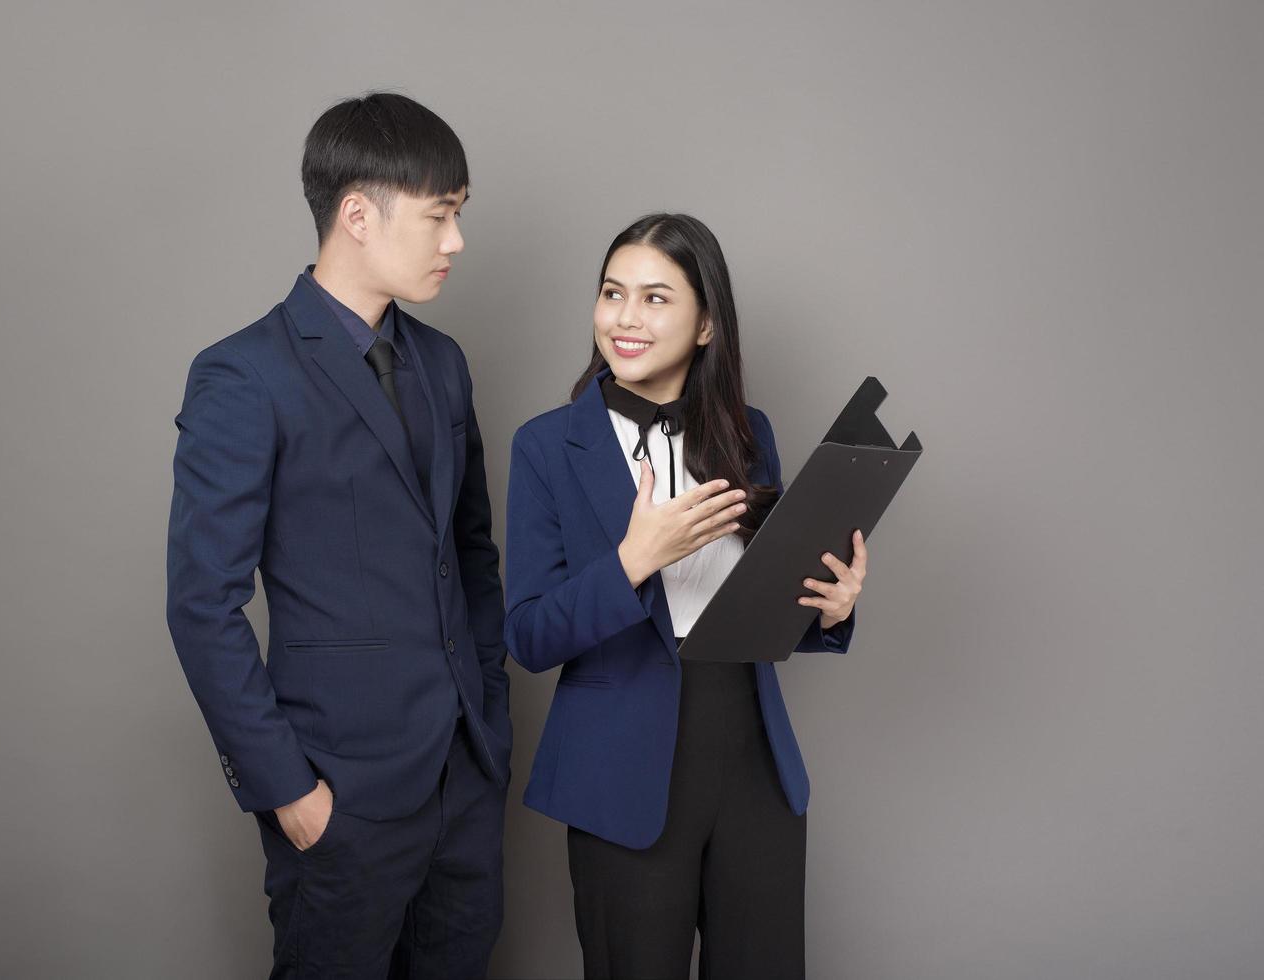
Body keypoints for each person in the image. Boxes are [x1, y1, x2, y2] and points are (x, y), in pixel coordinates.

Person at [166, 92, 510, 980]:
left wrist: (491, 730)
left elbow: (470, 558)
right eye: (440, 217)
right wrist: (288, 790)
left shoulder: (443, 363)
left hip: (462, 781)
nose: (456, 242)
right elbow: (203, 604)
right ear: (357, 214)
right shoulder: (245, 374)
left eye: (459, 217)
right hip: (337, 790)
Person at [504, 213, 868, 979]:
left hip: (753, 767)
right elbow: (529, 635)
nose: (625, 319)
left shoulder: (748, 431)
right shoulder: (546, 446)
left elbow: (757, 603)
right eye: (612, 293)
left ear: (707, 324)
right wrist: (633, 561)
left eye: (655, 298)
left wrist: (830, 609)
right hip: (621, 773)